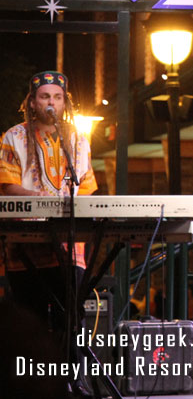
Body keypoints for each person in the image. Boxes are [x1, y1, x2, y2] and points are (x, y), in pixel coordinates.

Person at [0, 71, 98, 333]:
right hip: (25, 247)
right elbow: (7, 186)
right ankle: (34, 373)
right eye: (45, 97)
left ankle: (71, 372)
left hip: (68, 249)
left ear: (65, 102)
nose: (51, 102)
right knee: (31, 325)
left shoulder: (77, 139)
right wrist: (37, 198)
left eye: (57, 97)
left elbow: (85, 188)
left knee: (70, 324)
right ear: (32, 102)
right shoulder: (13, 136)